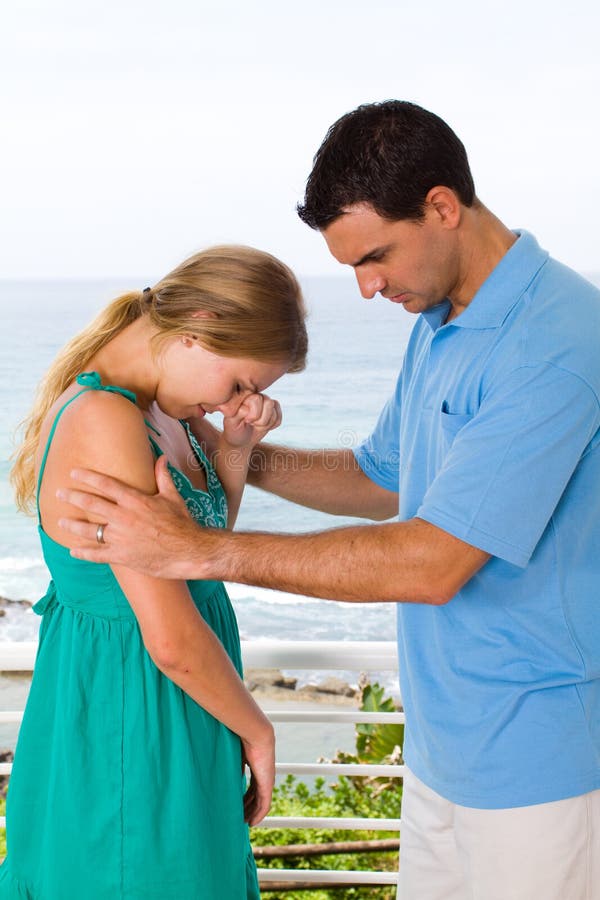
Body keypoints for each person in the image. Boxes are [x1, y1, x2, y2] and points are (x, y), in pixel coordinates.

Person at [57, 102, 599, 900]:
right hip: (444, 750)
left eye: (375, 257)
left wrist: (200, 550)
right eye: (350, 265)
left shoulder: (556, 342)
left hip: (541, 767)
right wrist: (242, 448)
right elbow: (382, 479)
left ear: (443, 208)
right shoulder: (444, 320)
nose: (367, 287)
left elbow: (434, 562)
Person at [1, 244, 308, 899]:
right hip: (133, 720)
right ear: (195, 330)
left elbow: (201, 545)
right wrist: (257, 729)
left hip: (178, 709)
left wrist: (238, 442)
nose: (244, 400)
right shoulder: (107, 418)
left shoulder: (163, 409)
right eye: (240, 385)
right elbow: (168, 634)